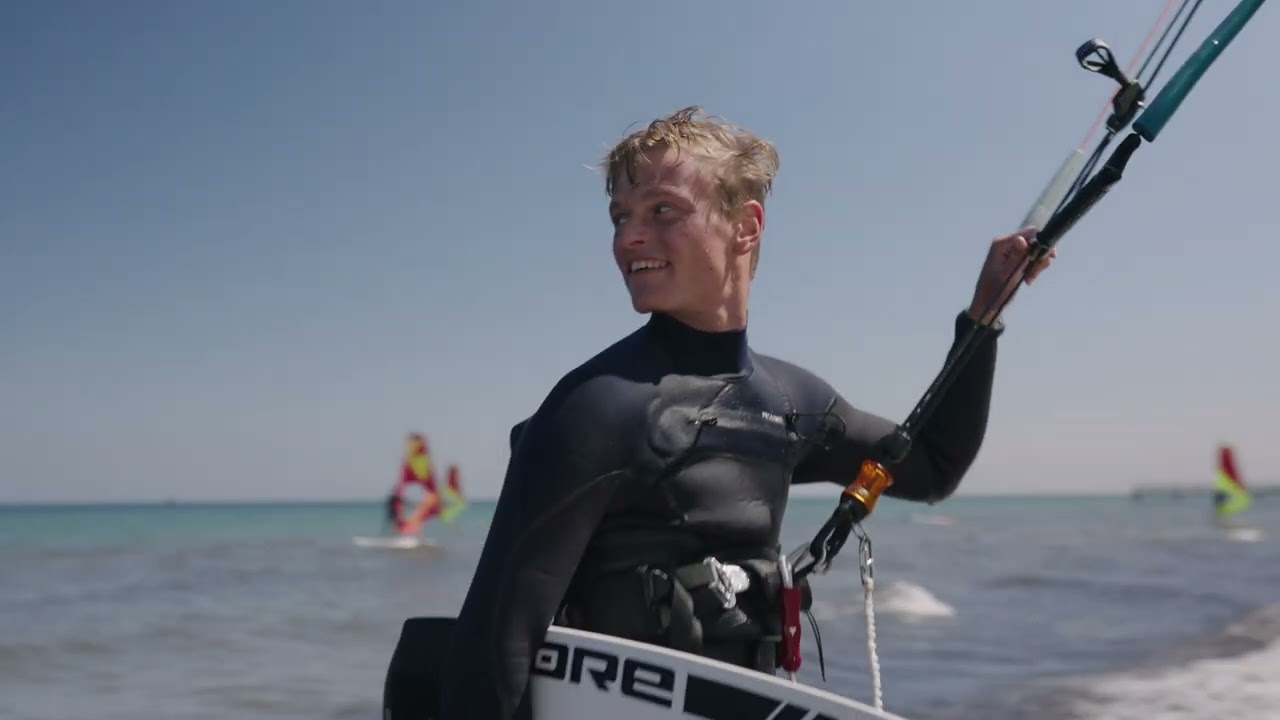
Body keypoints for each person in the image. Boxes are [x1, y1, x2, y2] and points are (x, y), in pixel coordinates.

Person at [437, 106, 1057, 719]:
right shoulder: (596, 408)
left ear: (745, 225)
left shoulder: (790, 404)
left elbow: (932, 467)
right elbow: (495, 646)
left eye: (662, 211)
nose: (628, 238)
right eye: (620, 217)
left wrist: (983, 317)